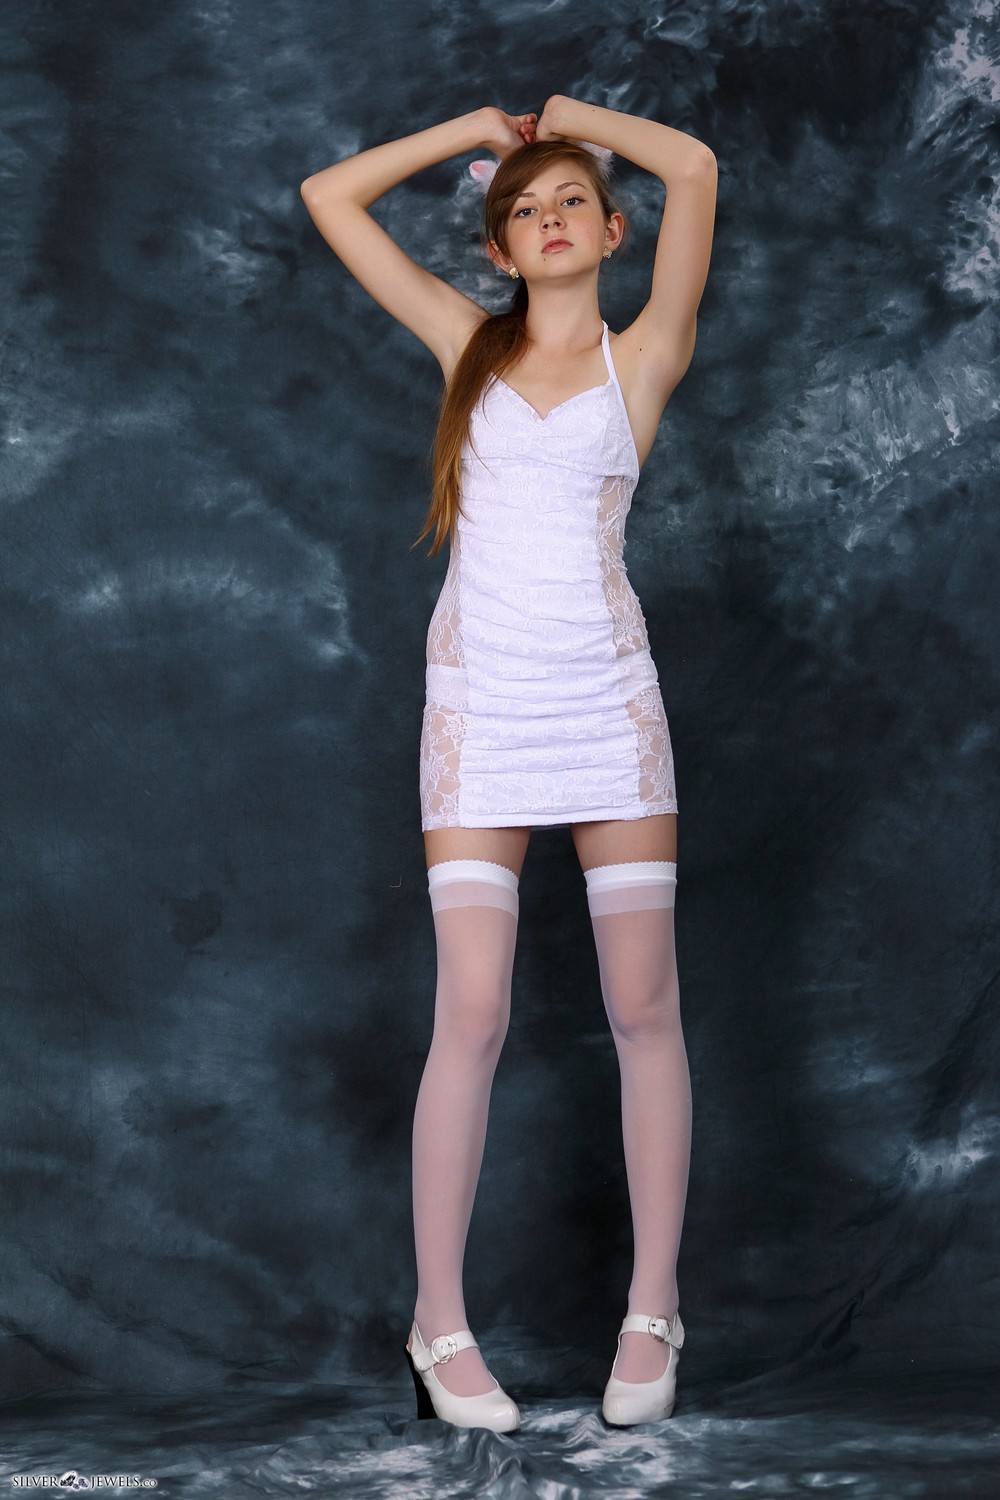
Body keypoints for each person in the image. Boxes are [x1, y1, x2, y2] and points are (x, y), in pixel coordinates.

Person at [300, 93, 717, 1432]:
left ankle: (653, 1310)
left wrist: (570, 123)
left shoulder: (645, 356)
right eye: (522, 209)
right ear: (498, 248)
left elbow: (694, 163)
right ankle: (440, 1327)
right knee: (471, 1012)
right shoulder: (461, 345)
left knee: (643, 1003)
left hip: (607, 706)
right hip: (482, 711)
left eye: (569, 201)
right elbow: (328, 198)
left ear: (612, 230)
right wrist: (471, 130)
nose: (548, 219)